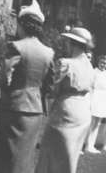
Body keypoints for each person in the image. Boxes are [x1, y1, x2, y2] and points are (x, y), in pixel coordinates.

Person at [0, 0, 54, 173]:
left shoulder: (16, 47)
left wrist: (3, 92)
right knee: (24, 160)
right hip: (35, 110)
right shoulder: (48, 52)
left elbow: (4, 78)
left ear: (22, 24)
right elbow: (50, 85)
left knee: (5, 159)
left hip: (13, 107)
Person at [35, 27, 95, 173]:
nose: (65, 44)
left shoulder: (66, 63)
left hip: (66, 110)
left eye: (67, 41)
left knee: (50, 152)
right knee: (70, 156)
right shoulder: (89, 65)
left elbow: (53, 91)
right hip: (83, 111)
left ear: (73, 43)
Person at [86, 54, 106, 153]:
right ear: (98, 62)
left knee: (97, 124)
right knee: (91, 123)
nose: (103, 65)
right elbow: (90, 87)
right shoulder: (93, 72)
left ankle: (91, 145)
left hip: (103, 100)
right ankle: (86, 145)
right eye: (102, 62)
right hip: (94, 98)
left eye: (105, 63)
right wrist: (90, 100)